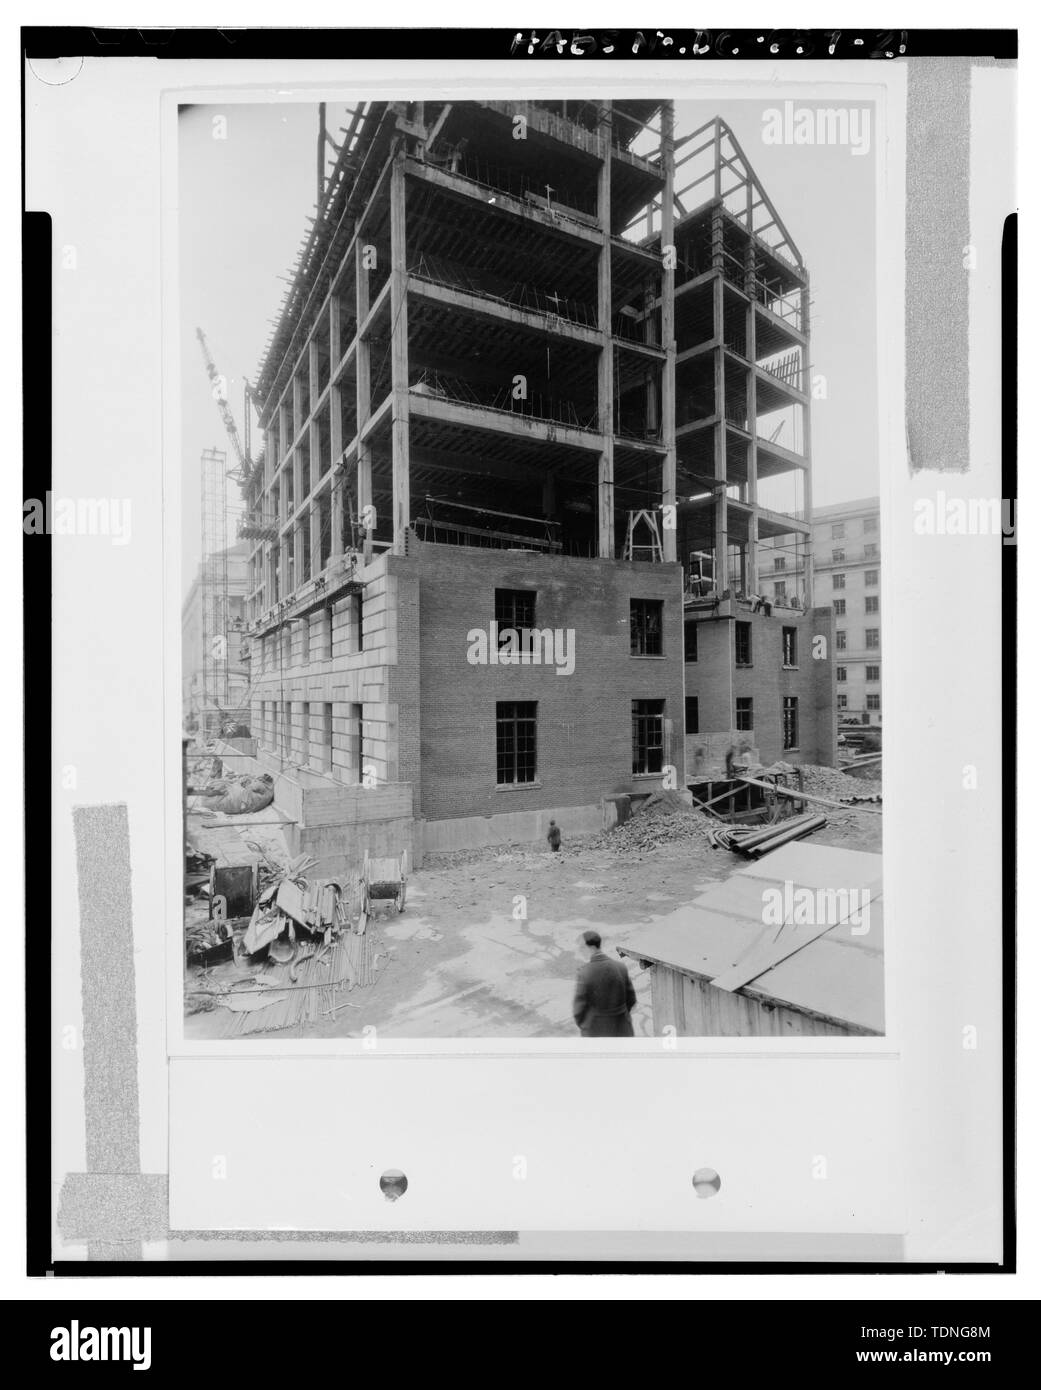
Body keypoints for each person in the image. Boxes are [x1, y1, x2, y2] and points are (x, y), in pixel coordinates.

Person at [572, 930, 636, 1037]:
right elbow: (631, 1000)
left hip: (595, 1031)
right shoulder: (620, 967)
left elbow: (578, 1009)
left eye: (582, 947)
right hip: (622, 1029)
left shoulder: (584, 972)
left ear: (591, 947)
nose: (580, 950)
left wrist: (586, 1025)